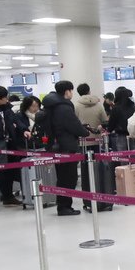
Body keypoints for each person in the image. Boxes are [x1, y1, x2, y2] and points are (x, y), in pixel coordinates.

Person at [44, 81, 91, 215]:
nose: (72, 93)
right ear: (67, 91)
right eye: (71, 90)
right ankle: (64, 207)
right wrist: (85, 131)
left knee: (62, 178)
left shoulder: (52, 106)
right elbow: (74, 126)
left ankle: (63, 205)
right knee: (69, 178)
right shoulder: (64, 108)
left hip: (57, 146)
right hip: (67, 147)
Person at [107, 87, 135, 151]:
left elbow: (112, 122)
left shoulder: (116, 107)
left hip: (121, 134)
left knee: (122, 155)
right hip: (132, 134)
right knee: (134, 154)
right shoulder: (133, 107)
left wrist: (109, 130)